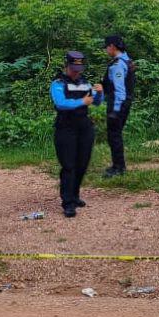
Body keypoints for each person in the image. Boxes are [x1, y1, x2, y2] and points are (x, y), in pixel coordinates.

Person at [51, 50, 102, 217]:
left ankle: (75, 195)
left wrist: (100, 92)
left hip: (84, 126)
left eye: (79, 68)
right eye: (73, 68)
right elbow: (61, 104)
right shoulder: (58, 83)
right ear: (67, 65)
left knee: (82, 163)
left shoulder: (85, 83)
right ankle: (68, 203)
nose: (76, 71)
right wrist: (82, 101)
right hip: (66, 127)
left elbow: (96, 102)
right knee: (68, 165)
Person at [101, 34, 135, 178]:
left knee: (114, 135)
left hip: (118, 103)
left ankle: (118, 167)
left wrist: (115, 110)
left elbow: (120, 90)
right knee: (116, 135)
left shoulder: (118, 65)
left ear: (112, 47)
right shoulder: (127, 60)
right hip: (125, 102)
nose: (106, 50)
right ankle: (118, 165)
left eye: (107, 47)